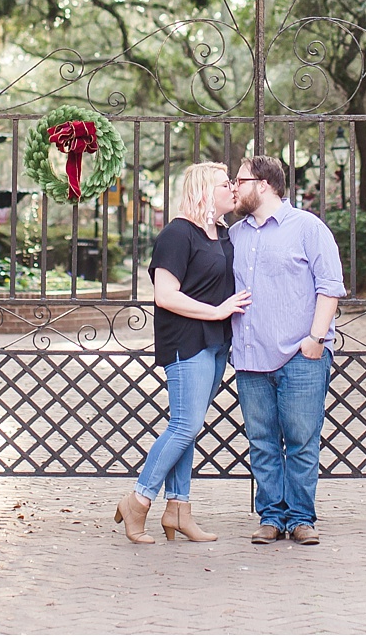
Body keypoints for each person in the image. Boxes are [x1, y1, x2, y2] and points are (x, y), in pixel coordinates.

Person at [115, 161, 249, 544]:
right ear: (206, 191)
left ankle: (178, 509)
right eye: (226, 184)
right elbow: (165, 295)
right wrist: (218, 311)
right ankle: (138, 500)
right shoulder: (176, 234)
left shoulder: (221, 233)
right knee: (184, 426)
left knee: (189, 427)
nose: (233, 190)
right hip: (186, 341)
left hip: (216, 342)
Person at [229, 154, 348, 546]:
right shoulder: (236, 235)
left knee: (301, 440)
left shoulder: (308, 229)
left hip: (300, 356)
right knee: (261, 441)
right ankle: (270, 517)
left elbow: (329, 286)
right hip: (250, 358)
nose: (234, 187)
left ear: (263, 184)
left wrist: (315, 339)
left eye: (240, 180)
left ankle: (300, 518)